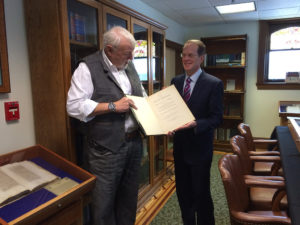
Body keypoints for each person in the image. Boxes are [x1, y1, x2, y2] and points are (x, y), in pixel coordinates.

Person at [66, 26, 145, 225]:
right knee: (103, 204)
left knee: (128, 199)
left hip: (134, 143)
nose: (131, 59)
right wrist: (112, 106)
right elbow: (74, 106)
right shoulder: (87, 67)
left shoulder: (129, 66)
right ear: (109, 50)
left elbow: (141, 95)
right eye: (127, 54)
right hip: (105, 150)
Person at [168, 39, 223, 225]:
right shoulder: (175, 81)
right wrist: (167, 125)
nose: (186, 58)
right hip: (180, 149)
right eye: (183, 55)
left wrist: (195, 124)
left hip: (200, 150)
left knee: (201, 195)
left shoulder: (214, 84)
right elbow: (172, 112)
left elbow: (216, 118)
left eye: (191, 55)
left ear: (202, 58)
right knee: (183, 194)